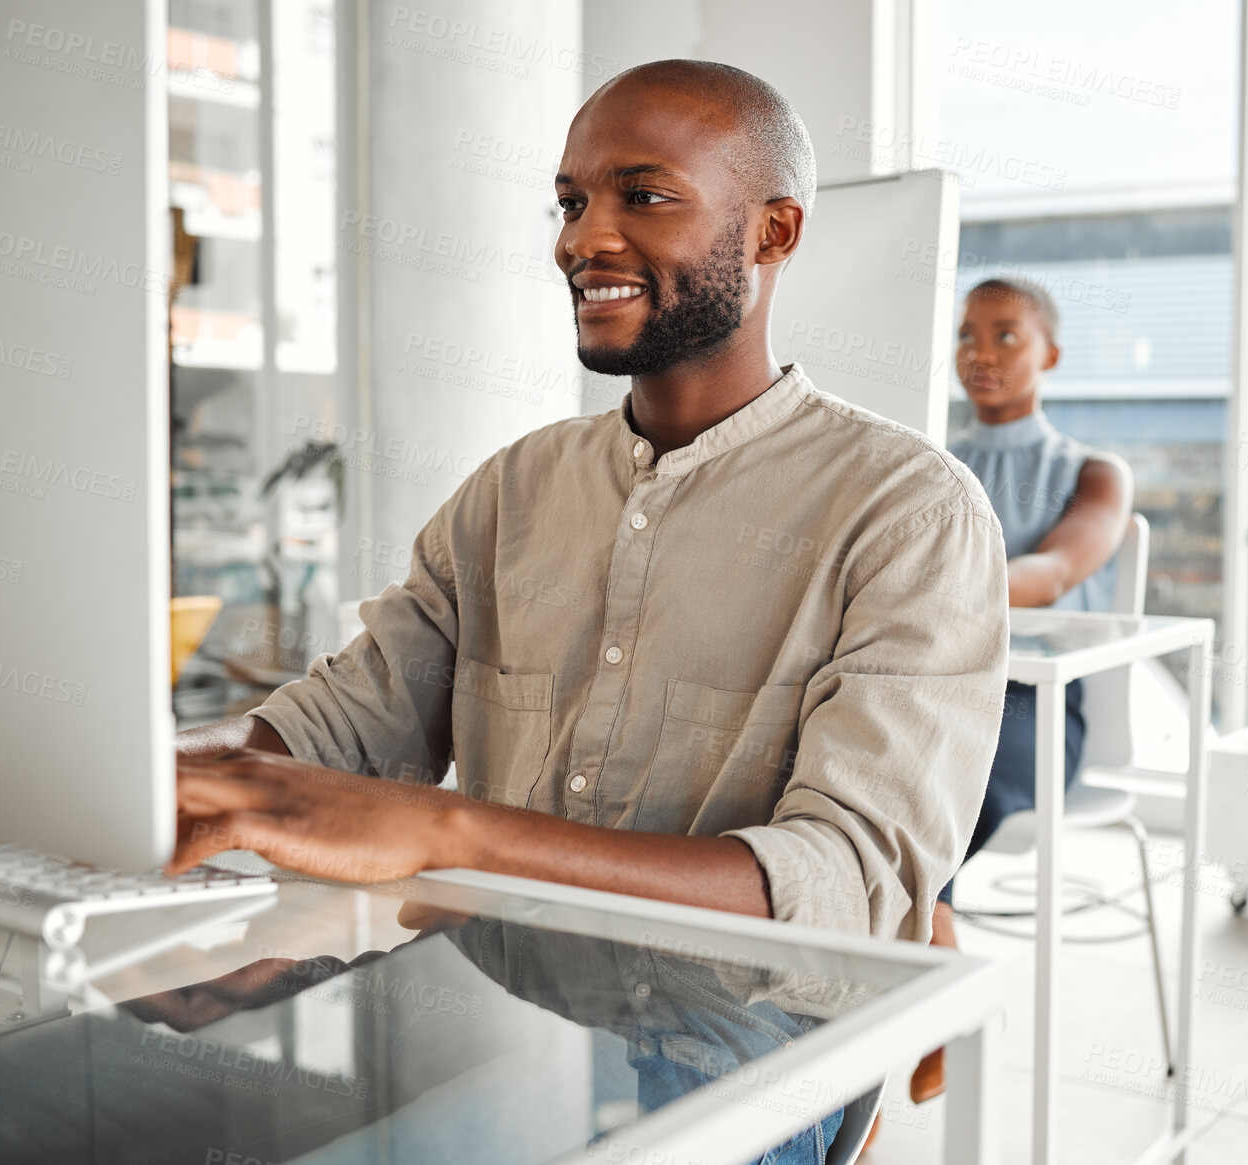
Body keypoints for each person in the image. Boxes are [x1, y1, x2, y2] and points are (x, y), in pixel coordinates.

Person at [163, 59, 1010, 1160]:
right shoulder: (514, 488)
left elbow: (844, 887)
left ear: (773, 234)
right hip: (487, 1010)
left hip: (736, 1044)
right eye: (570, 201)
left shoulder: (908, 513)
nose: (581, 239)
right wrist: (164, 767)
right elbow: (342, 724)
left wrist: (451, 827)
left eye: (642, 196)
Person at [909, 275, 1133, 1104]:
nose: (981, 353)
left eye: (1005, 335)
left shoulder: (1092, 471)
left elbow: (1055, 569)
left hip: (1032, 709)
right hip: (932, 694)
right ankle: (936, 980)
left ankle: (924, 990)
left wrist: (939, 589)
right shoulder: (923, 461)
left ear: (1051, 354)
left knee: (915, 784)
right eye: (968, 335)